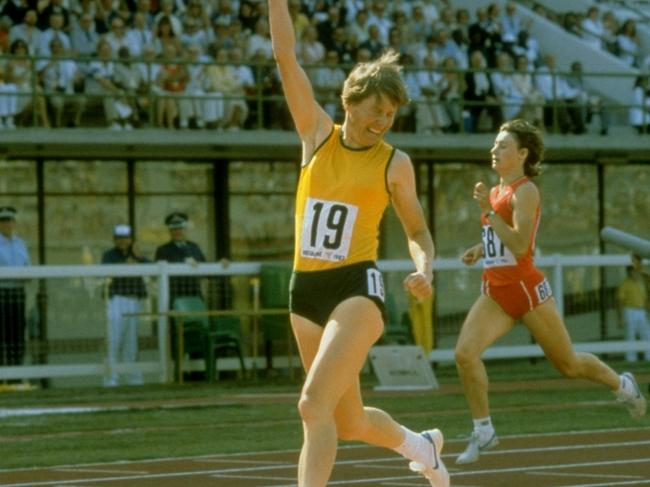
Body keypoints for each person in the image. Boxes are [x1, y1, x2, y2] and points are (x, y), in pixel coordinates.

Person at [268, 2, 448, 487]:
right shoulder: (316, 134)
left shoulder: (395, 163)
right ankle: (421, 445)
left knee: (311, 404)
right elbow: (286, 54)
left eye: (390, 115)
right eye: (375, 110)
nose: (382, 121)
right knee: (346, 421)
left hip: (357, 289)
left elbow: (418, 232)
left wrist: (425, 269)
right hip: (303, 290)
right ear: (350, 101)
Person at [454, 119, 648, 466]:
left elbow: (519, 243)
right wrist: (479, 248)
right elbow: (500, 237)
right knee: (465, 354)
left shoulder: (525, 191)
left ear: (522, 154)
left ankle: (622, 385)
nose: (494, 151)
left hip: (527, 290)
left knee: (569, 365)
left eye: (502, 146)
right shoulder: (497, 191)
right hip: (496, 291)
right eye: (494, 145)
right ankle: (483, 431)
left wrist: (485, 210)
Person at [101, 224, 149, 387]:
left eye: (126, 238)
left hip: (134, 300)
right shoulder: (109, 255)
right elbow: (106, 272)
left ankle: (133, 378)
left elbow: (152, 268)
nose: (123, 241)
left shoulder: (136, 254)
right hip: (116, 300)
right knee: (114, 340)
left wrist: (139, 258)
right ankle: (111, 378)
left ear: (131, 240)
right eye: (120, 238)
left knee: (131, 342)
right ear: (115, 240)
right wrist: (126, 264)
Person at [0, 207, 31, 367]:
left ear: (14, 223)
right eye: (3, 221)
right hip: (2, 293)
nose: (6, 224)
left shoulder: (21, 244)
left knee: (17, 334)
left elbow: (28, 267)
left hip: (18, 294)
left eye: (9, 221)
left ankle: (16, 374)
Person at [154, 212, 206, 305]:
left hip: (194, 295)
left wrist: (221, 263)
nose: (177, 232)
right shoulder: (162, 250)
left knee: (198, 319)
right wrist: (185, 262)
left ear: (185, 229)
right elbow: (156, 274)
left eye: (180, 228)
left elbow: (206, 269)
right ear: (170, 231)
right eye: (174, 229)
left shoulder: (194, 247)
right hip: (174, 297)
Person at [617, 264, 650, 362]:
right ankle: (631, 359)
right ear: (628, 272)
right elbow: (620, 301)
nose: (634, 273)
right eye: (631, 271)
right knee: (630, 335)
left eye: (635, 271)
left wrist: (647, 311)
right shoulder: (624, 284)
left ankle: (648, 357)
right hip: (630, 310)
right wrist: (621, 316)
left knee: (646, 334)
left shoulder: (641, 283)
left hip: (641, 311)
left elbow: (645, 299)